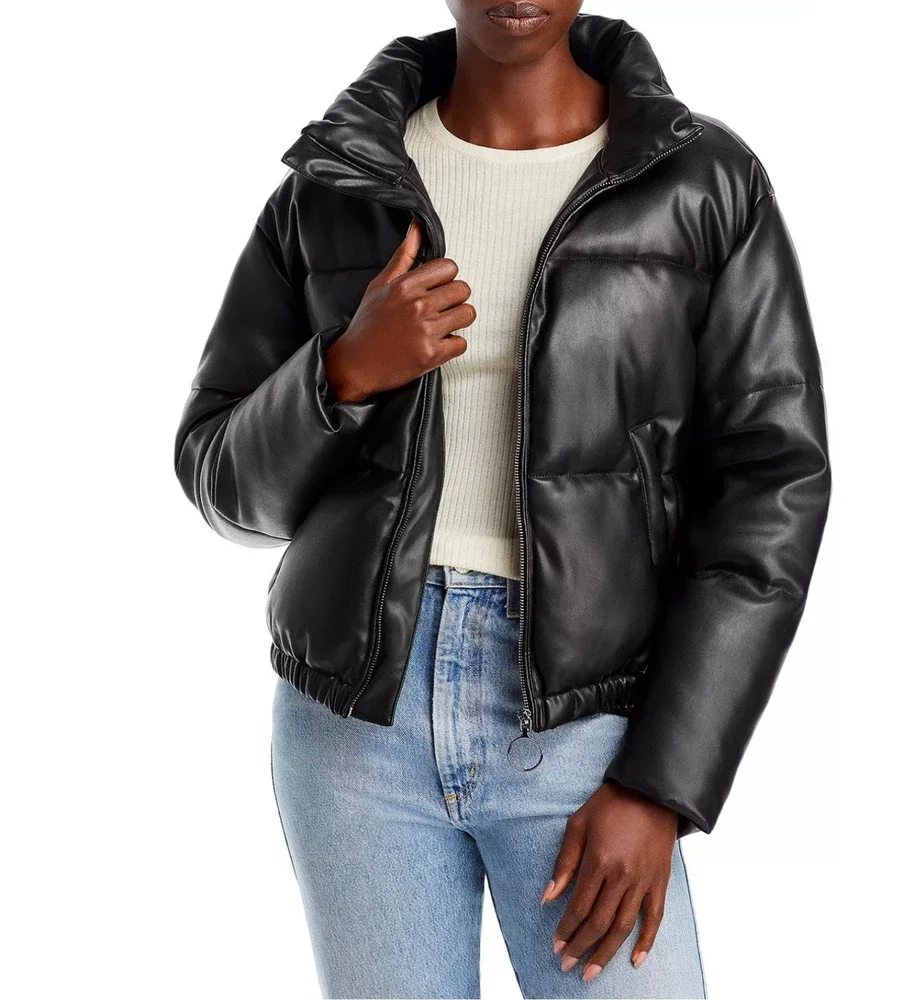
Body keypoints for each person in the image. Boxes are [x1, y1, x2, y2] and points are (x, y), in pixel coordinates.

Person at [174, 4, 830, 997]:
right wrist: (342, 373)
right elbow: (221, 479)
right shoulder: (336, 184)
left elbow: (772, 487)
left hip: (590, 723)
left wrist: (661, 782)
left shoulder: (701, 182)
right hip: (356, 727)